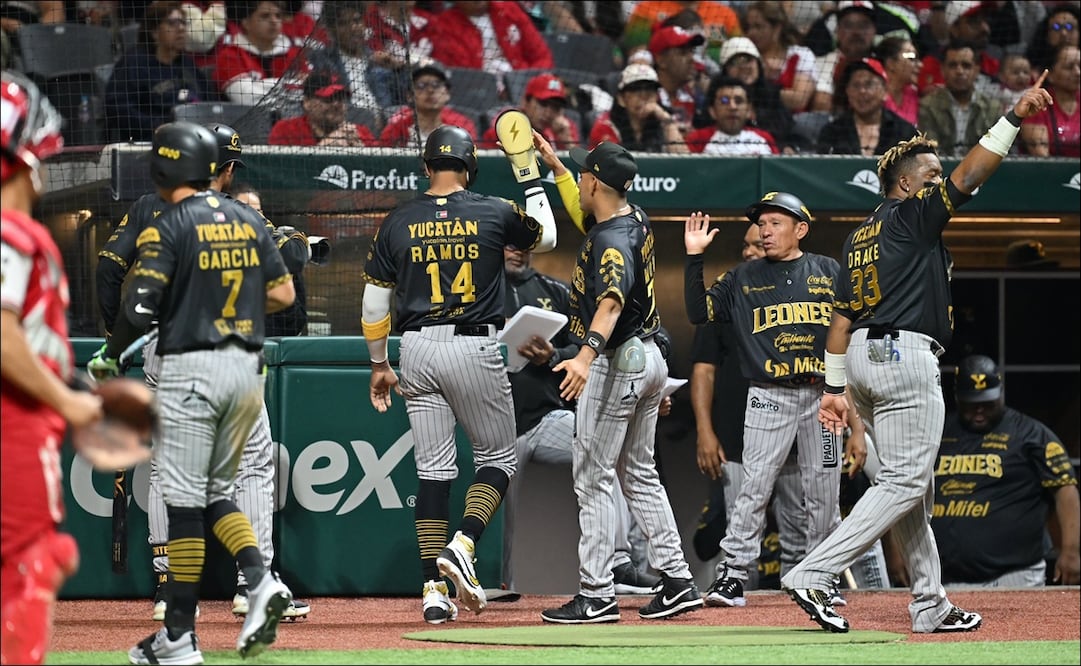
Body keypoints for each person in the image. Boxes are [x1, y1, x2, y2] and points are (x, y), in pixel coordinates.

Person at [780, 74, 1053, 634]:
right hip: (902, 358)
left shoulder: (861, 236)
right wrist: (1014, 117)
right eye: (930, 176)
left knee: (910, 490)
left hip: (863, 359)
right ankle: (814, 572)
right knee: (904, 484)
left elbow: (840, 321)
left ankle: (930, 602)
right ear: (904, 184)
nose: (938, 181)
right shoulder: (912, 214)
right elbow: (970, 175)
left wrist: (834, 389)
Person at [95, 121, 296, 662]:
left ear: (164, 170)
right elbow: (283, 293)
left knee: (185, 498)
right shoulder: (245, 217)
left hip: (190, 367)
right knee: (216, 490)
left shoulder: (168, 222)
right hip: (245, 368)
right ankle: (247, 587)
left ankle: (192, 625)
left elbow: (138, 304)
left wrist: (111, 353)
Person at [360, 124, 557, 623]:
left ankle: (432, 590)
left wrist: (379, 364)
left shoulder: (397, 219)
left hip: (416, 348)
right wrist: (529, 175)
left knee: (433, 472)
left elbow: (374, 304)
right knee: (499, 458)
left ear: (426, 166)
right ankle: (464, 543)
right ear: (470, 167)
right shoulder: (493, 209)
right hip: (473, 343)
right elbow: (549, 236)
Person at [541, 141, 703, 624]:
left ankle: (596, 594)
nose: (579, 181)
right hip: (649, 356)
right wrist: (557, 168)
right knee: (639, 473)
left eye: (582, 175)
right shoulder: (633, 217)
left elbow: (610, 303)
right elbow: (588, 217)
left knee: (593, 478)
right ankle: (677, 579)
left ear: (595, 182)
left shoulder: (611, 239)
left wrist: (584, 356)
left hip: (617, 360)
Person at [683, 191, 859, 609]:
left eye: (775, 223)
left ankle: (821, 576)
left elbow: (848, 341)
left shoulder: (829, 270)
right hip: (768, 395)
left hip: (822, 396)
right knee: (754, 487)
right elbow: (698, 313)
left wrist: (855, 418)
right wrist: (693, 258)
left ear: (801, 229)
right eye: (761, 224)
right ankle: (733, 575)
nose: (765, 231)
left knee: (824, 490)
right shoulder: (741, 277)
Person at [0, 70, 105, 666]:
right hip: (12, 431)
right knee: (31, 567)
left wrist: (67, 384)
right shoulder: (13, 230)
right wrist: (67, 404)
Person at [500, 245, 660, 597]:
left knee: (601, 454)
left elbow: (587, 348)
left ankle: (619, 563)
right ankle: (499, 585)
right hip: (495, 427)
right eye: (508, 243)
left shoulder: (555, 291)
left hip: (543, 417)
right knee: (497, 511)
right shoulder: (480, 291)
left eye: (523, 243)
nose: (516, 250)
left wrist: (553, 354)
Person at [689, 222, 808, 591]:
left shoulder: (803, 288)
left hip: (795, 432)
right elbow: (704, 368)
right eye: (746, 245)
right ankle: (739, 605)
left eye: (757, 244)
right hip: (737, 435)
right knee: (741, 530)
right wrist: (705, 431)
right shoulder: (729, 291)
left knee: (798, 532)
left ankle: (797, 604)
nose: (749, 251)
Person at [932, 354, 1080, 587]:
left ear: (1000, 393)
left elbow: (1065, 489)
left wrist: (1071, 550)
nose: (979, 411)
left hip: (1014, 575)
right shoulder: (938, 432)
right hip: (944, 577)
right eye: (971, 404)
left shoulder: (1031, 434)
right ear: (957, 398)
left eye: (987, 404)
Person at [105, 1, 217, 143]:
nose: (181, 28)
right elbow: (118, 109)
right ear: (154, 32)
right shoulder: (133, 64)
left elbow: (209, 103)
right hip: (150, 142)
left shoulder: (187, 65)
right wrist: (156, 126)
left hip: (193, 140)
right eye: (172, 23)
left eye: (183, 23)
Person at [817, 58, 918, 157]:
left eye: (869, 84)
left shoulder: (905, 133)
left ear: (885, 91)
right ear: (847, 92)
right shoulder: (832, 132)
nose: (862, 91)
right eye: (856, 85)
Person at [918, 41, 1003, 157]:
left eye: (966, 66)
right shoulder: (928, 106)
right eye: (953, 65)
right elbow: (930, 151)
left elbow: (996, 152)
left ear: (976, 70)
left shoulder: (993, 109)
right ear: (942, 70)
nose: (959, 71)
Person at [429, 1, 553, 79]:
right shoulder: (443, 25)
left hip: (520, 83)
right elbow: (456, 76)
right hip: (480, 91)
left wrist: (531, 83)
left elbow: (542, 56)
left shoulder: (509, 9)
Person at [213, 0, 305, 106]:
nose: (274, 21)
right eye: (265, 16)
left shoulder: (295, 55)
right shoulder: (230, 56)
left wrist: (259, 85)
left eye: (278, 16)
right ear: (246, 23)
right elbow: (247, 99)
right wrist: (288, 85)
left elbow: (309, 94)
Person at [588, 63, 687, 153]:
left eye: (650, 89)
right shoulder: (605, 126)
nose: (644, 96)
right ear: (621, 99)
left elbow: (682, 159)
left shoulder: (662, 122)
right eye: (635, 89)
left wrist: (666, 119)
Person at [267, 69, 378, 147]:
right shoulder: (286, 130)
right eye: (328, 99)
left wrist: (361, 152)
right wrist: (323, 149)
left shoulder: (361, 133)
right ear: (307, 102)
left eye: (340, 98)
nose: (336, 104)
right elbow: (279, 169)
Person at [742, 1, 817, 113]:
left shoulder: (802, 55)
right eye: (748, 27)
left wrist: (759, 89)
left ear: (777, 28)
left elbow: (799, 99)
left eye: (758, 26)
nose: (751, 33)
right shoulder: (744, 56)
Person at [380, 64, 478, 149]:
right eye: (421, 85)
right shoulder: (397, 128)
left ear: (447, 93)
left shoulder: (462, 126)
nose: (430, 90)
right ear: (409, 96)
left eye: (436, 85)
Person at [480, 72, 580, 151]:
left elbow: (579, 169)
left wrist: (567, 143)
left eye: (556, 107)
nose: (548, 113)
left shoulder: (562, 131)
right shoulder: (502, 131)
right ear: (525, 102)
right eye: (543, 104)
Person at [809, 0, 877, 113]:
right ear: (837, 31)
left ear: (874, 31)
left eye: (863, 25)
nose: (856, 32)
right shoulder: (820, 63)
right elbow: (822, 104)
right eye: (848, 25)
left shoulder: (886, 64)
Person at [685, 75, 779, 155]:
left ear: (749, 111)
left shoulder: (764, 138)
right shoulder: (698, 139)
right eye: (724, 101)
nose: (732, 107)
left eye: (738, 101)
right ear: (712, 111)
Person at [1020, 44, 1080, 157]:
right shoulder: (1037, 104)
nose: (1078, 72)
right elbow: (1043, 158)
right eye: (1069, 67)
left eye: (1080, 66)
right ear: (1050, 74)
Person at [876, 35, 922, 127]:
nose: (920, 65)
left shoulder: (915, 94)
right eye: (912, 59)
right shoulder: (875, 97)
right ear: (891, 63)